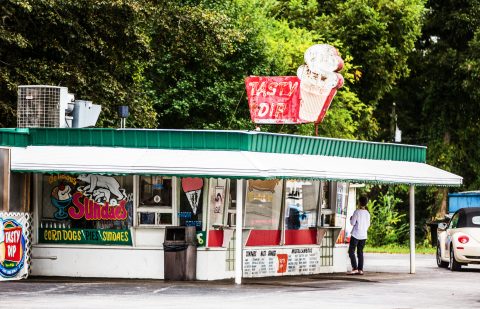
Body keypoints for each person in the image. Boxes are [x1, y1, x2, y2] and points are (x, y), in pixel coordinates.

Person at [348, 195, 371, 275]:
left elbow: (352, 223)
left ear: (359, 202)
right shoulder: (368, 213)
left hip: (356, 234)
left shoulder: (357, 212)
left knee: (351, 251)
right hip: (364, 235)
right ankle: (360, 269)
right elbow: (368, 225)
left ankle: (355, 268)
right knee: (360, 252)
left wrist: (351, 218)